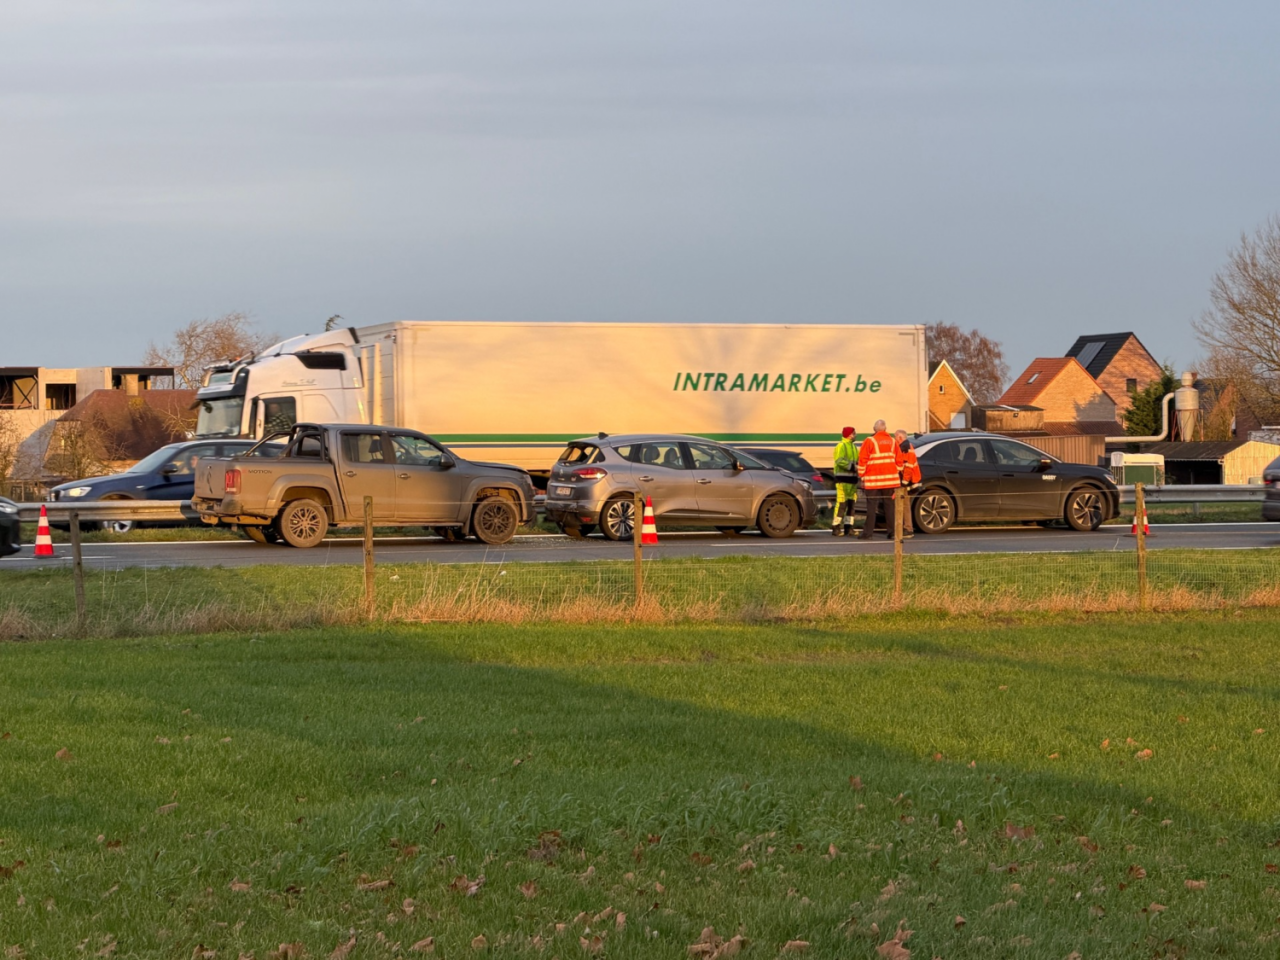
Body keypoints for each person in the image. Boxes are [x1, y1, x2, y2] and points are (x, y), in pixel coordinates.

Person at [857, 419, 904, 540]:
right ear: (885, 429)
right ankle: (892, 532)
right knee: (889, 506)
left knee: (871, 507)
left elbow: (862, 460)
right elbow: (899, 461)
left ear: (874, 429)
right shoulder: (893, 441)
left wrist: (861, 475)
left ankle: (868, 533)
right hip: (890, 481)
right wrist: (895, 471)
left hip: (873, 480)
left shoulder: (869, 441)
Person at [831, 426, 858, 536]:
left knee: (851, 504)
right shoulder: (841, 446)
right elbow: (839, 461)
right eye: (854, 433)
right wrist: (853, 467)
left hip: (852, 480)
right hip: (842, 480)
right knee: (841, 504)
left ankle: (848, 527)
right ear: (850, 434)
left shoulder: (854, 447)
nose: (856, 434)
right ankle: (836, 527)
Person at [895, 429, 921, 538]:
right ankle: (905, 527)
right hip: (909, 480)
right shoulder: (906, 447)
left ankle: (908, 529)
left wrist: (904, 482)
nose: (895, 440)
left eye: (895, 437)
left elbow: (908, 467)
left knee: (905, 505)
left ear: (900, 438)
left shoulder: (906, 449)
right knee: (904, 504)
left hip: (907, 481)